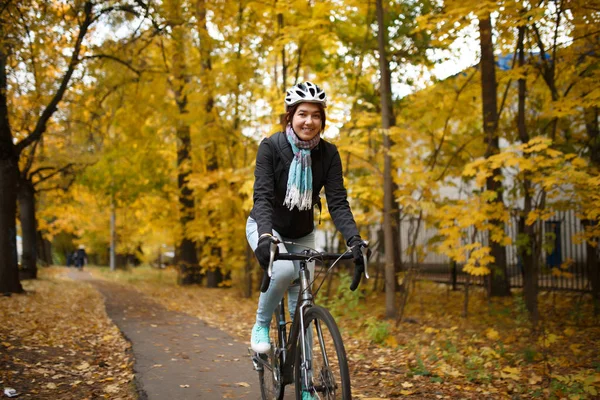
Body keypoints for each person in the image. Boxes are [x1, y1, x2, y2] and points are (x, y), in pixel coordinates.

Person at [246, 81, 370, 359]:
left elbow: (337, 202)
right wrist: (265, 237)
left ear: (322, 120)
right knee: (283, 272)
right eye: (302, 113)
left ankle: (308, 384)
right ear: (290, 115)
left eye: (316, 115)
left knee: (302, 308)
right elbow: (263, 197)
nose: (309, 121)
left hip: (303, 233)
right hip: (266, 226)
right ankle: (261, 324)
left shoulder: (328, 154)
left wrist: (354, 240)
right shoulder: (271, 147)